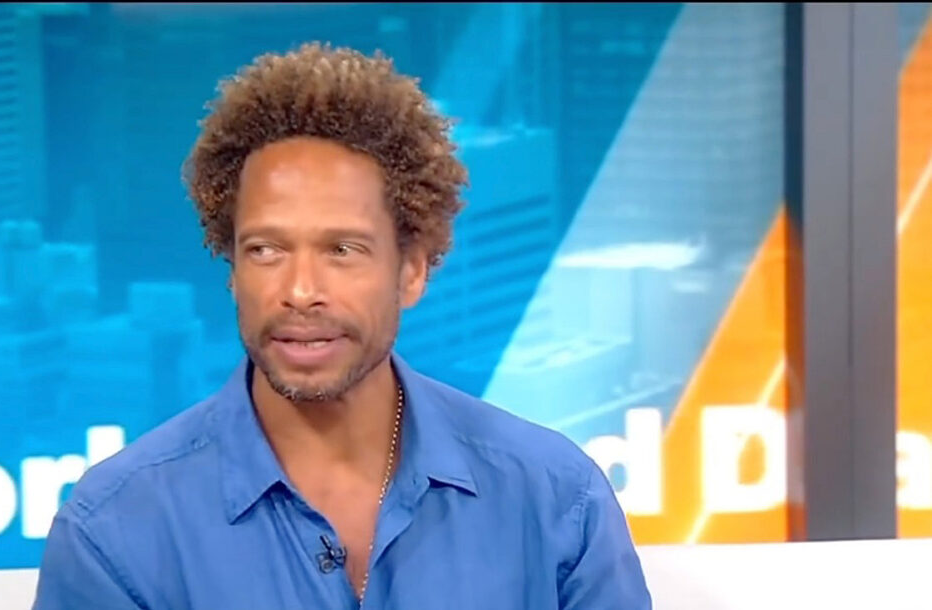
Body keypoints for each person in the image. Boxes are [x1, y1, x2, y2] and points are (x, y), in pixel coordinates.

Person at [32, 42, 650, 609]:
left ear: (412, 270)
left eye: (342, 250)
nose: (300, 291)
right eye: (266, 250)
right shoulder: (115, 531)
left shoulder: (556, 502)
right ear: (232, 271)